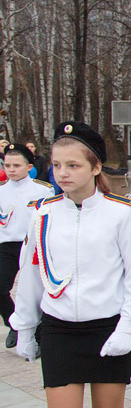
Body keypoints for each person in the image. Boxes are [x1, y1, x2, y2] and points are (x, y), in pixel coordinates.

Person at [11, 121, 131, 408]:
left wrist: (127, 328)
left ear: (94, 167)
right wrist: (23, 326)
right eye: (57, 165)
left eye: (73, 165)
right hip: (59, 329)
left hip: (107, 328)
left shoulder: (121, 214)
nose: (62, 173)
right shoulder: (41, 214)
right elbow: (30, 272)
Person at [0, 143, 54, 348]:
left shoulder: (42, 190)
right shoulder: (1, 191)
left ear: (29, 166)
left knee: (37, 290)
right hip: (7, 246)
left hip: (33, 246)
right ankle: (14, 323)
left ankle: (39, 331)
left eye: (16, 165)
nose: (11, 169)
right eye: (7, 165)